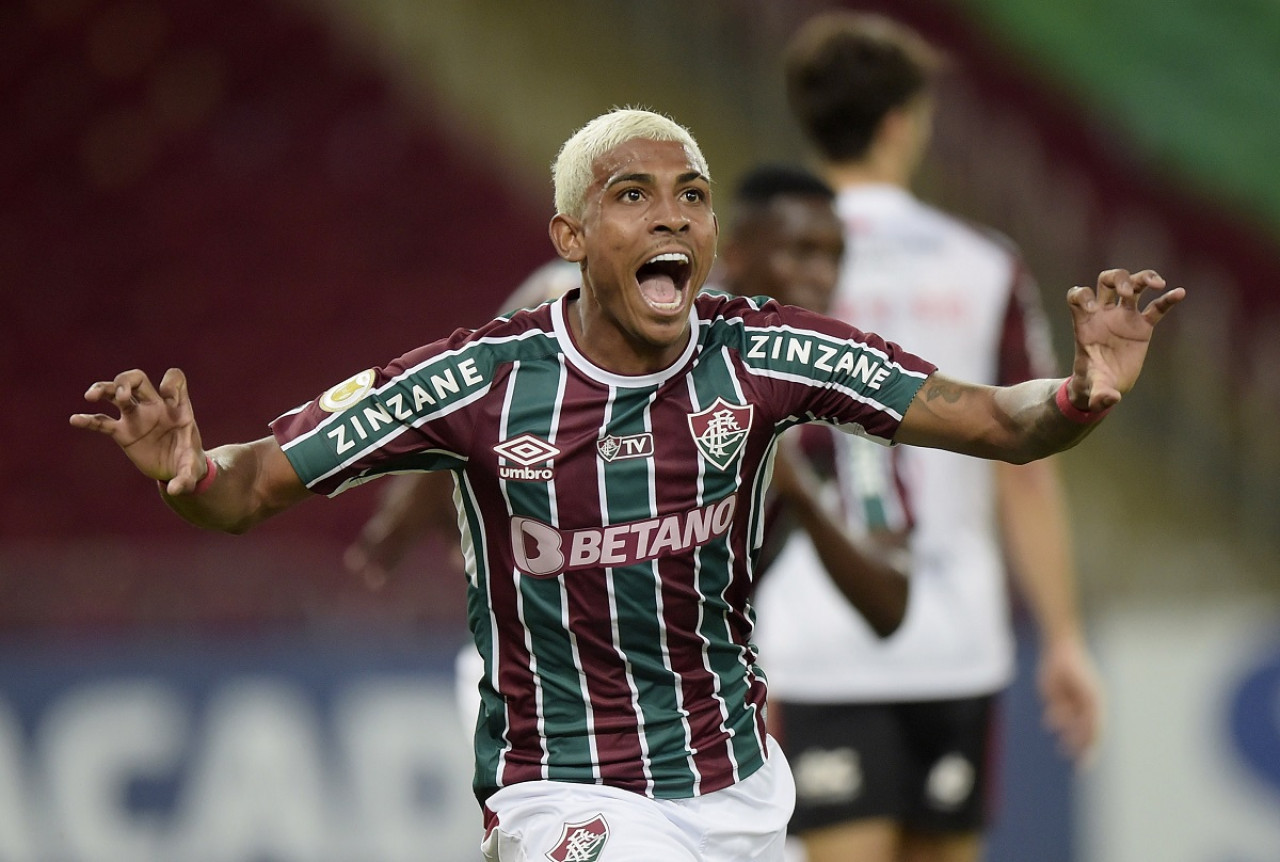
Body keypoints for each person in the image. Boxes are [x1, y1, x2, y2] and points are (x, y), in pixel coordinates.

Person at [70, 107, 1183, 861]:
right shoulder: (476, 381)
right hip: (561, 788)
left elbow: (993, 418)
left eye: (690, 196)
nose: (670, 215)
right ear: (570, 234)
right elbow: (251, 484)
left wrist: (1083, 393)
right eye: (633, 195)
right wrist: (185, 474)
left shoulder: (765, 353)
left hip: (736, 787)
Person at [345, 163, 909, 741]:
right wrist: (413, 502)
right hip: (554, 680)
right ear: (733, 252)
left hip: (707, 693)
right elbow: (493, 361)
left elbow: (890, 605)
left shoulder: (834, 390)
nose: (821, 278)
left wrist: (797, 490)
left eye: (834, 258)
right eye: (800, 252)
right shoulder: (646, 330)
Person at [753, 13, 1108, 862]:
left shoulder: (764, 261)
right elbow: (1025, 467)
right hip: (957, 637)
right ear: (900, 123)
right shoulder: (984, 264)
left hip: (816, 635)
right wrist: (1062, 636)